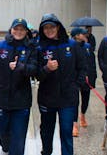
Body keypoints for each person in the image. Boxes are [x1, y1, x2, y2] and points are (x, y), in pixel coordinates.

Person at [0, 18, 38, 155]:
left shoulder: (30, 48)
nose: (19, 32)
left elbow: (35, 69)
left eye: (22, 29)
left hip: (22, 100)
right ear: (11, 29)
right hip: (1, 98)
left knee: (19, 137)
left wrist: (21, 67)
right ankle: (5, 146)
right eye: (16, 29)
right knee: (2, 131)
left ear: (26, 32)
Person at [36, 13, 86, 155]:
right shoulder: (40, 48)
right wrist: (47, 68)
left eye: (52, 27)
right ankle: (46, 152)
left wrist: (76, 85)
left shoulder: (72, 45)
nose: (49, 30)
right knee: (46, 131)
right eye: (45, 28)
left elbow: (82, 67)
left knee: (66, 132)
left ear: (58, 27)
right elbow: (36, 74)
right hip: (47, 98)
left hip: (68, 99)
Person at [70, 27, 97, 137]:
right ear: (76, 35)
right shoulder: (70, 46)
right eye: (82, 33)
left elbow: (92, 62)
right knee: (74, 101)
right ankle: (74, 124)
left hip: (87, 77)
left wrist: (92, 76)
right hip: (74, 79)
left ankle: (83, 115)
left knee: (85, 98)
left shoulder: (87, 46)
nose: (85, 35)